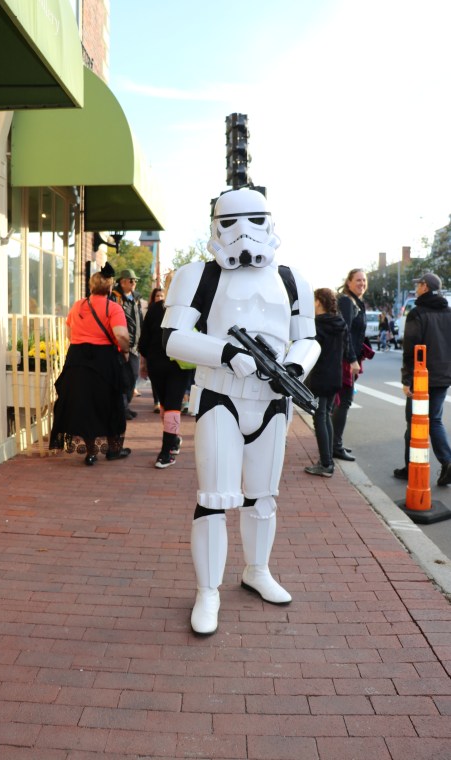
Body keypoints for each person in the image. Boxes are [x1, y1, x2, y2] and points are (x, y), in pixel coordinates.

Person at [162, 188, 320, 635]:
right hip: (221, 397)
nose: (242, 232)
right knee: (214, 500)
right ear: (215, 225)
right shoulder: (197, 275)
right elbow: (172, 338)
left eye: (253, 220)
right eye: (230, 222)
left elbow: (307, 338)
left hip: (273, 402)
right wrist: (226, 353)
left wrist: (294, 368)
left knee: (262, 497)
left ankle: (257, 570)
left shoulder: (291, 279)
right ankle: (208, 591)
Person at [49, 263, 131, 465]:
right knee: (109, 403)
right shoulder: (113, 308)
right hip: (104, 360)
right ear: (110, 287)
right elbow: (121, 335)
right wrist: (126, 350)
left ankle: (91, 452)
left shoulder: (78, 305)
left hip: (77, 359)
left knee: (84, 405)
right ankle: (113, 449)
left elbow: (69, 334)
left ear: (91, 286)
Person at [393, 272, 451, 486]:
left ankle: (412, 468)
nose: (416, 288)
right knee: (434, 420)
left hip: (421, 377)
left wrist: (406, 379)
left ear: (425, 287)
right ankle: (447, 461)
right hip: (443, 376)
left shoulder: (417, 313)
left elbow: (411, 349)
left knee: (414, 422)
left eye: (418, 285)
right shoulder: (448, 312)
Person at [138, 274, 192, 468]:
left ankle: (169, 446)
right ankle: (169, 447)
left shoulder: (155, 308)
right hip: (179, 363)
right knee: (171, 406)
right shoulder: (190, 309)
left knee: (167, 406)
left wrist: (145, 362)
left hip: (157, 363)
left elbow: (143, 341)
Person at [304, 288, 347, 477]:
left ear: (319, 301)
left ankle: (326, 463)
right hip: (335, 375)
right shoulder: (339, 323)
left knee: (319, 417)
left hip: (320, 375)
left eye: (313, 300)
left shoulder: (316, 325)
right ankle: (327, 460)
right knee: (326, 414)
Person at [331, 268, 369, 462]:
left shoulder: (356, 302)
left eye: (364, 280)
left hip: (348, 357)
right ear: (349, 282)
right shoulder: (347, 301)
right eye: (358, 280)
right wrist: (353, 359)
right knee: (343, 402)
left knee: (338, 402)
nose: (362, 283)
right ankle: (334, 446)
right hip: (345, 360)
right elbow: (344, 332)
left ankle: (333, 443)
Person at [110, 269, 144, 420]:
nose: (134, 283)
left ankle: (125, 406)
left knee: (133, 377)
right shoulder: (114, 298)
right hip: (120, 345)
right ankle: (121, 409)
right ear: (123, 282)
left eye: (135, 280)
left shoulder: (136, 299)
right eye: (131, 280)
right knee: (122, 378)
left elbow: (140, 320)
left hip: (134, 346)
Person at [147, 287, 164, 413]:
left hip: (167, 351)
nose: (159, 298)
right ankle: (156, 402)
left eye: (161, 296)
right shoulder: (151, 311)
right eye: (157, 296)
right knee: (155, 378)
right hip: (154, 352)